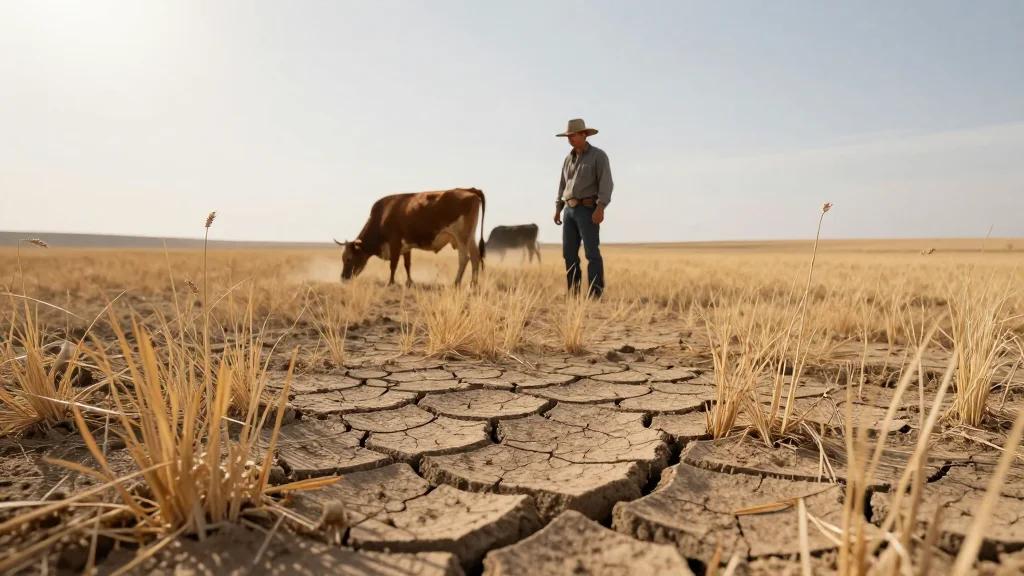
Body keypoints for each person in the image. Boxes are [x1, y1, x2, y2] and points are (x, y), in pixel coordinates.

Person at [554, 118, 613, 298]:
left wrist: (600, 207)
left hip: (588, 210)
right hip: (568, 210)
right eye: (568, 136)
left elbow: (606, 183)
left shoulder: (598, 156)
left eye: (573, 135)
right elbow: (563, 185)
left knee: (591, 253)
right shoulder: (567, 159)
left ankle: (595, 294)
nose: (569, 139)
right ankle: (573, 293)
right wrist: (558, 208)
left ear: (584, 135)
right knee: (568, 254)